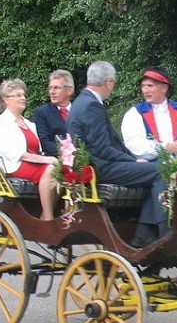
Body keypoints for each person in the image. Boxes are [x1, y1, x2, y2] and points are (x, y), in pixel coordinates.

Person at [68, 61, 169, 247]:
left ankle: (144, 230)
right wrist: (133, 160)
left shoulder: (81, 102)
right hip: (101, 167)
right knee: (161, 170)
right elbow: (102, 149)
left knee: (152, 172)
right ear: (109, 83)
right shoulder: (91, 105)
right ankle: (162, 229)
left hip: (97, 164)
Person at [0, 78, 58, 221]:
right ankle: (48, 218)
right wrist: (46, 160)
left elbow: (36, 150)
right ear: (6, 99)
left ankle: (48, 214)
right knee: (51, 169)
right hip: (12, 167)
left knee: (61, 170)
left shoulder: (29, 124)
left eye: (23, 95)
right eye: (18, 95)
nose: (23, 98)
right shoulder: (0, 123)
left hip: (31, 165)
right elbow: (14, 153)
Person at [33, 69, 75, 157]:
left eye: (57, 88)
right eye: (50, 88)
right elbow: (45, 143)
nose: (52, 92)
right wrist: (70, 154)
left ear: (69, 90)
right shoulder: (41, 113)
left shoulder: (80, 110)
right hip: (57, 162)